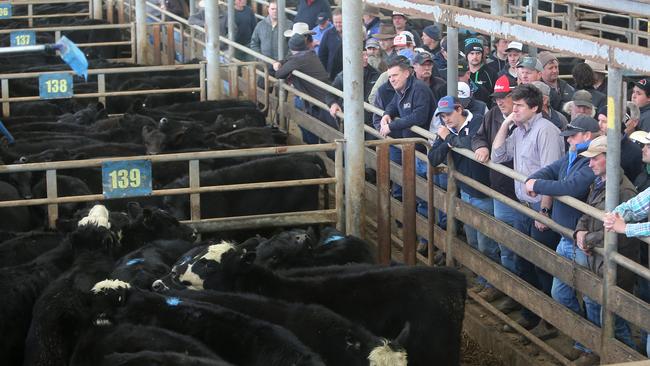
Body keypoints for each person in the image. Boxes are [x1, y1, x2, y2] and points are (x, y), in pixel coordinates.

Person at [491, 84, 565, 330]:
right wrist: (505, 124)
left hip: (539, 208)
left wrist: (544, 211)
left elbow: (551, 175)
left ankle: (550, 319)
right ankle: (530, 314)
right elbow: (498, 156)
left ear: (535, 107)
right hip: (522, 205)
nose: (515, 109)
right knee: (523, 260)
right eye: (514, 104)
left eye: (520, 105)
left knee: (542, 265)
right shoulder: (520, 129)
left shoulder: (546, 131)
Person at [524, 116, 599, 341]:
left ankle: (589, 344)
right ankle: (580, 335)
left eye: (572, 136)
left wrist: (535, 185)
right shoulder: (573, 155)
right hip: (567, 235)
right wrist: (533, 179)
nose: (568, 141)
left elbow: (572, 187)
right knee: (561, 291)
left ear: (587, 136)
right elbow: (550, 170)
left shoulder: (591, 160)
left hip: (582, 239)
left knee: (590, 298)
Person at [574, 136, 640, 365]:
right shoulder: (600, 182)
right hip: (597, 258)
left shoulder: (624, 190)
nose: (590, 164)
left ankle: (626, 360)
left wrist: (587, 240)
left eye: (595, 159)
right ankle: (596, 351)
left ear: (609, 159)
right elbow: (587, 211)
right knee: (594, 306)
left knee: (613, 319)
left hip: (614, 264)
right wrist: (580, 232)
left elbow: (619, 232)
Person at [429, 96, 499, 293]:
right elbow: (433, 158)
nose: (446, 119)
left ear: (459, 109)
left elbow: (470, 143)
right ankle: (482, 278)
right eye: (442, 116)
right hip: (466, 191)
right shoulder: (447, 130)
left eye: (449, 114)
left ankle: (493, 284)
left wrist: (449, 139)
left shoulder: (477, 120)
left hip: (484, 190)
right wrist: (448, 141)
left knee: (487, 243)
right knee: (474, 240)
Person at [472, 74, 521, 307]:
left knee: (517, 246)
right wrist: (481, 146)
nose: (500, 101)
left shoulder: (523, 119)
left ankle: (515, 293)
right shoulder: (491, 115)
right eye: (497, 97)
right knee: (504, 242)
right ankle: (505, 287)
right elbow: (478, 136)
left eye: (505, 97)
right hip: (500, 190)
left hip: (519, 193)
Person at [273, 34, 332, 144]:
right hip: (323, 96)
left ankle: (317, 148)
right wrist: (281, 62)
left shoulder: (297, 60)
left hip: (320, 100)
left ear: (291, 48)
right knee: (316, 128)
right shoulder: (309, 54)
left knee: (326, 133)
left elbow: (279, 74)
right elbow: (289, 59)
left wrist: (277, 65)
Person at [326, 48, 380, 126]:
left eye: (366, 54)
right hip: (351, 120)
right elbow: (330, 94)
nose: (366, 58)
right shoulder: (343, 76)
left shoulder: (375, 74)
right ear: (352, 56)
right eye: (362, 55)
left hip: (371, 120)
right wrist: (333, 104)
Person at [464, 37, 497, 106]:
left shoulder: (491, 73)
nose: (475, 57)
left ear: (482, 55)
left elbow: (495, 97)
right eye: (472, 53)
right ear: (466, 55)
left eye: (478, 53)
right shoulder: (461, 72)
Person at [318, 7, 343, 81]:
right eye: (336, 22)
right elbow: (322, 55)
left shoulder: (352, 34)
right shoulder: (328, 34)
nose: (338, 25)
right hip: (333, 74)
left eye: (340, 22)